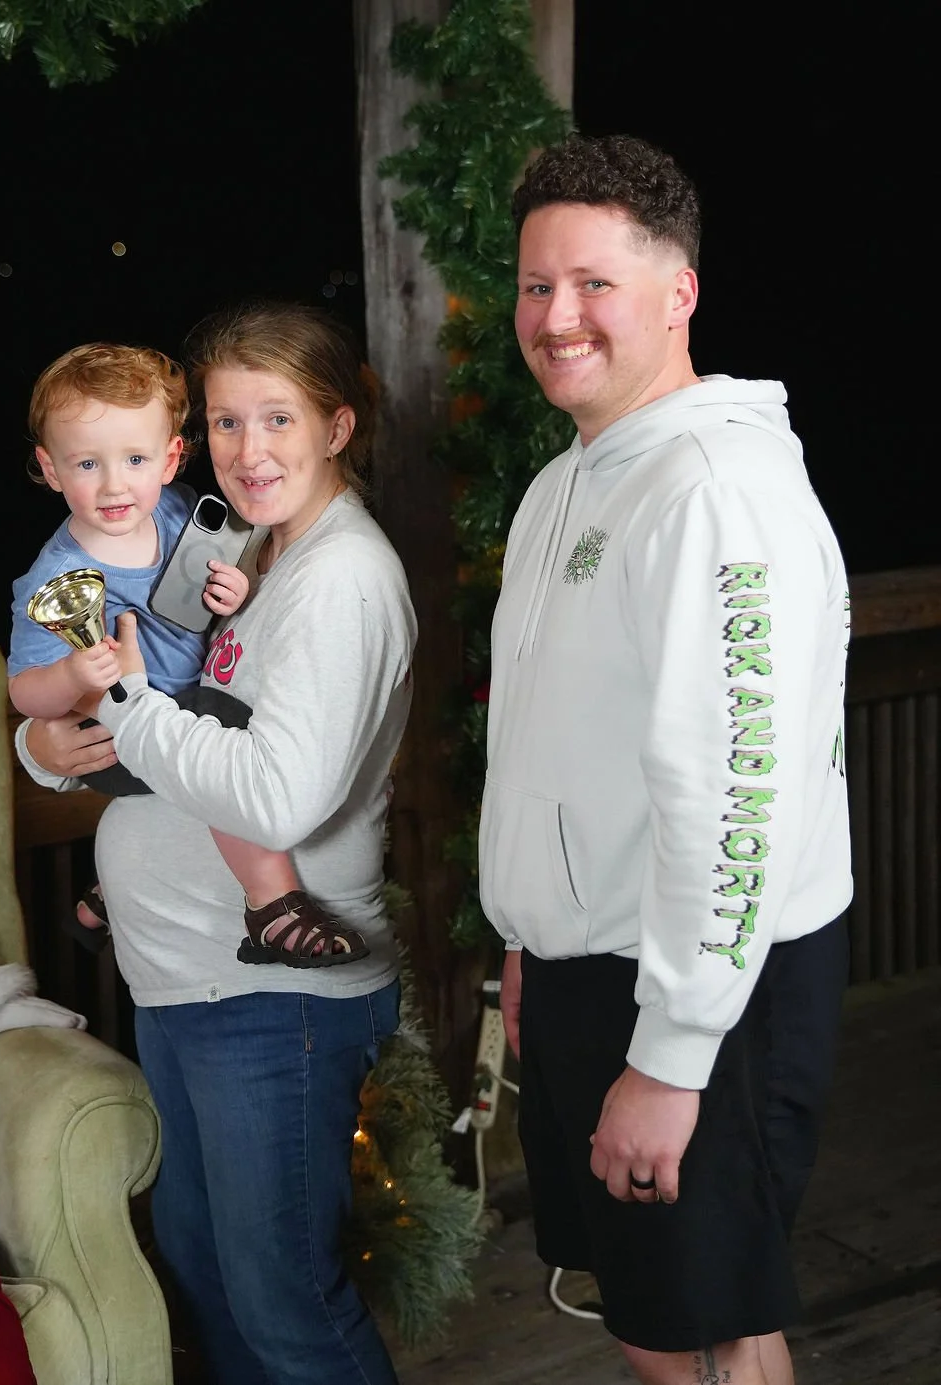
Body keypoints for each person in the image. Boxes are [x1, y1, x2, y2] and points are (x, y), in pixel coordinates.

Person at [478, 133, 852, 1385]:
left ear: (678, 290)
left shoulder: (711, 487)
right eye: (537, 285)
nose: (557, 316)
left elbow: (737, 785)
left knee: (707, 1330)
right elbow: (565, 742)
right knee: (651, 1317)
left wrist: (671, 1052)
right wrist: (533, 938)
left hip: (704, 984)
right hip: (599, 966)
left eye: (593, 283)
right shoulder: (567, 483)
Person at [12, 302, 415, 1385]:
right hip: (187, 978)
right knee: (206, 1265)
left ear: (336, 426)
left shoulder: (338, 578)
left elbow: (273, 794)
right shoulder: (253, 552)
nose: (248, 451)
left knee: (285, 1295)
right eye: (228, 422)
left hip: (271, 1000)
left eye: (276, 419)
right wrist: (49, 743)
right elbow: (156, 707)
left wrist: (129, 696)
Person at [8, 342, 368, 968]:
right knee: (222, 725)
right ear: (50, 467)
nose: (115, 484)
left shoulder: (176, 513)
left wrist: (236, 589)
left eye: (136, 459)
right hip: (112, 737)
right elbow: (24, 694)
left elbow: (207, 602)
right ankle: (272, 904)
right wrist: (68, 675)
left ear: (171, 459)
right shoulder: (55, 577)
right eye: (87, 463)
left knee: (213, 718)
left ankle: (105, 897)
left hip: (166, 716)